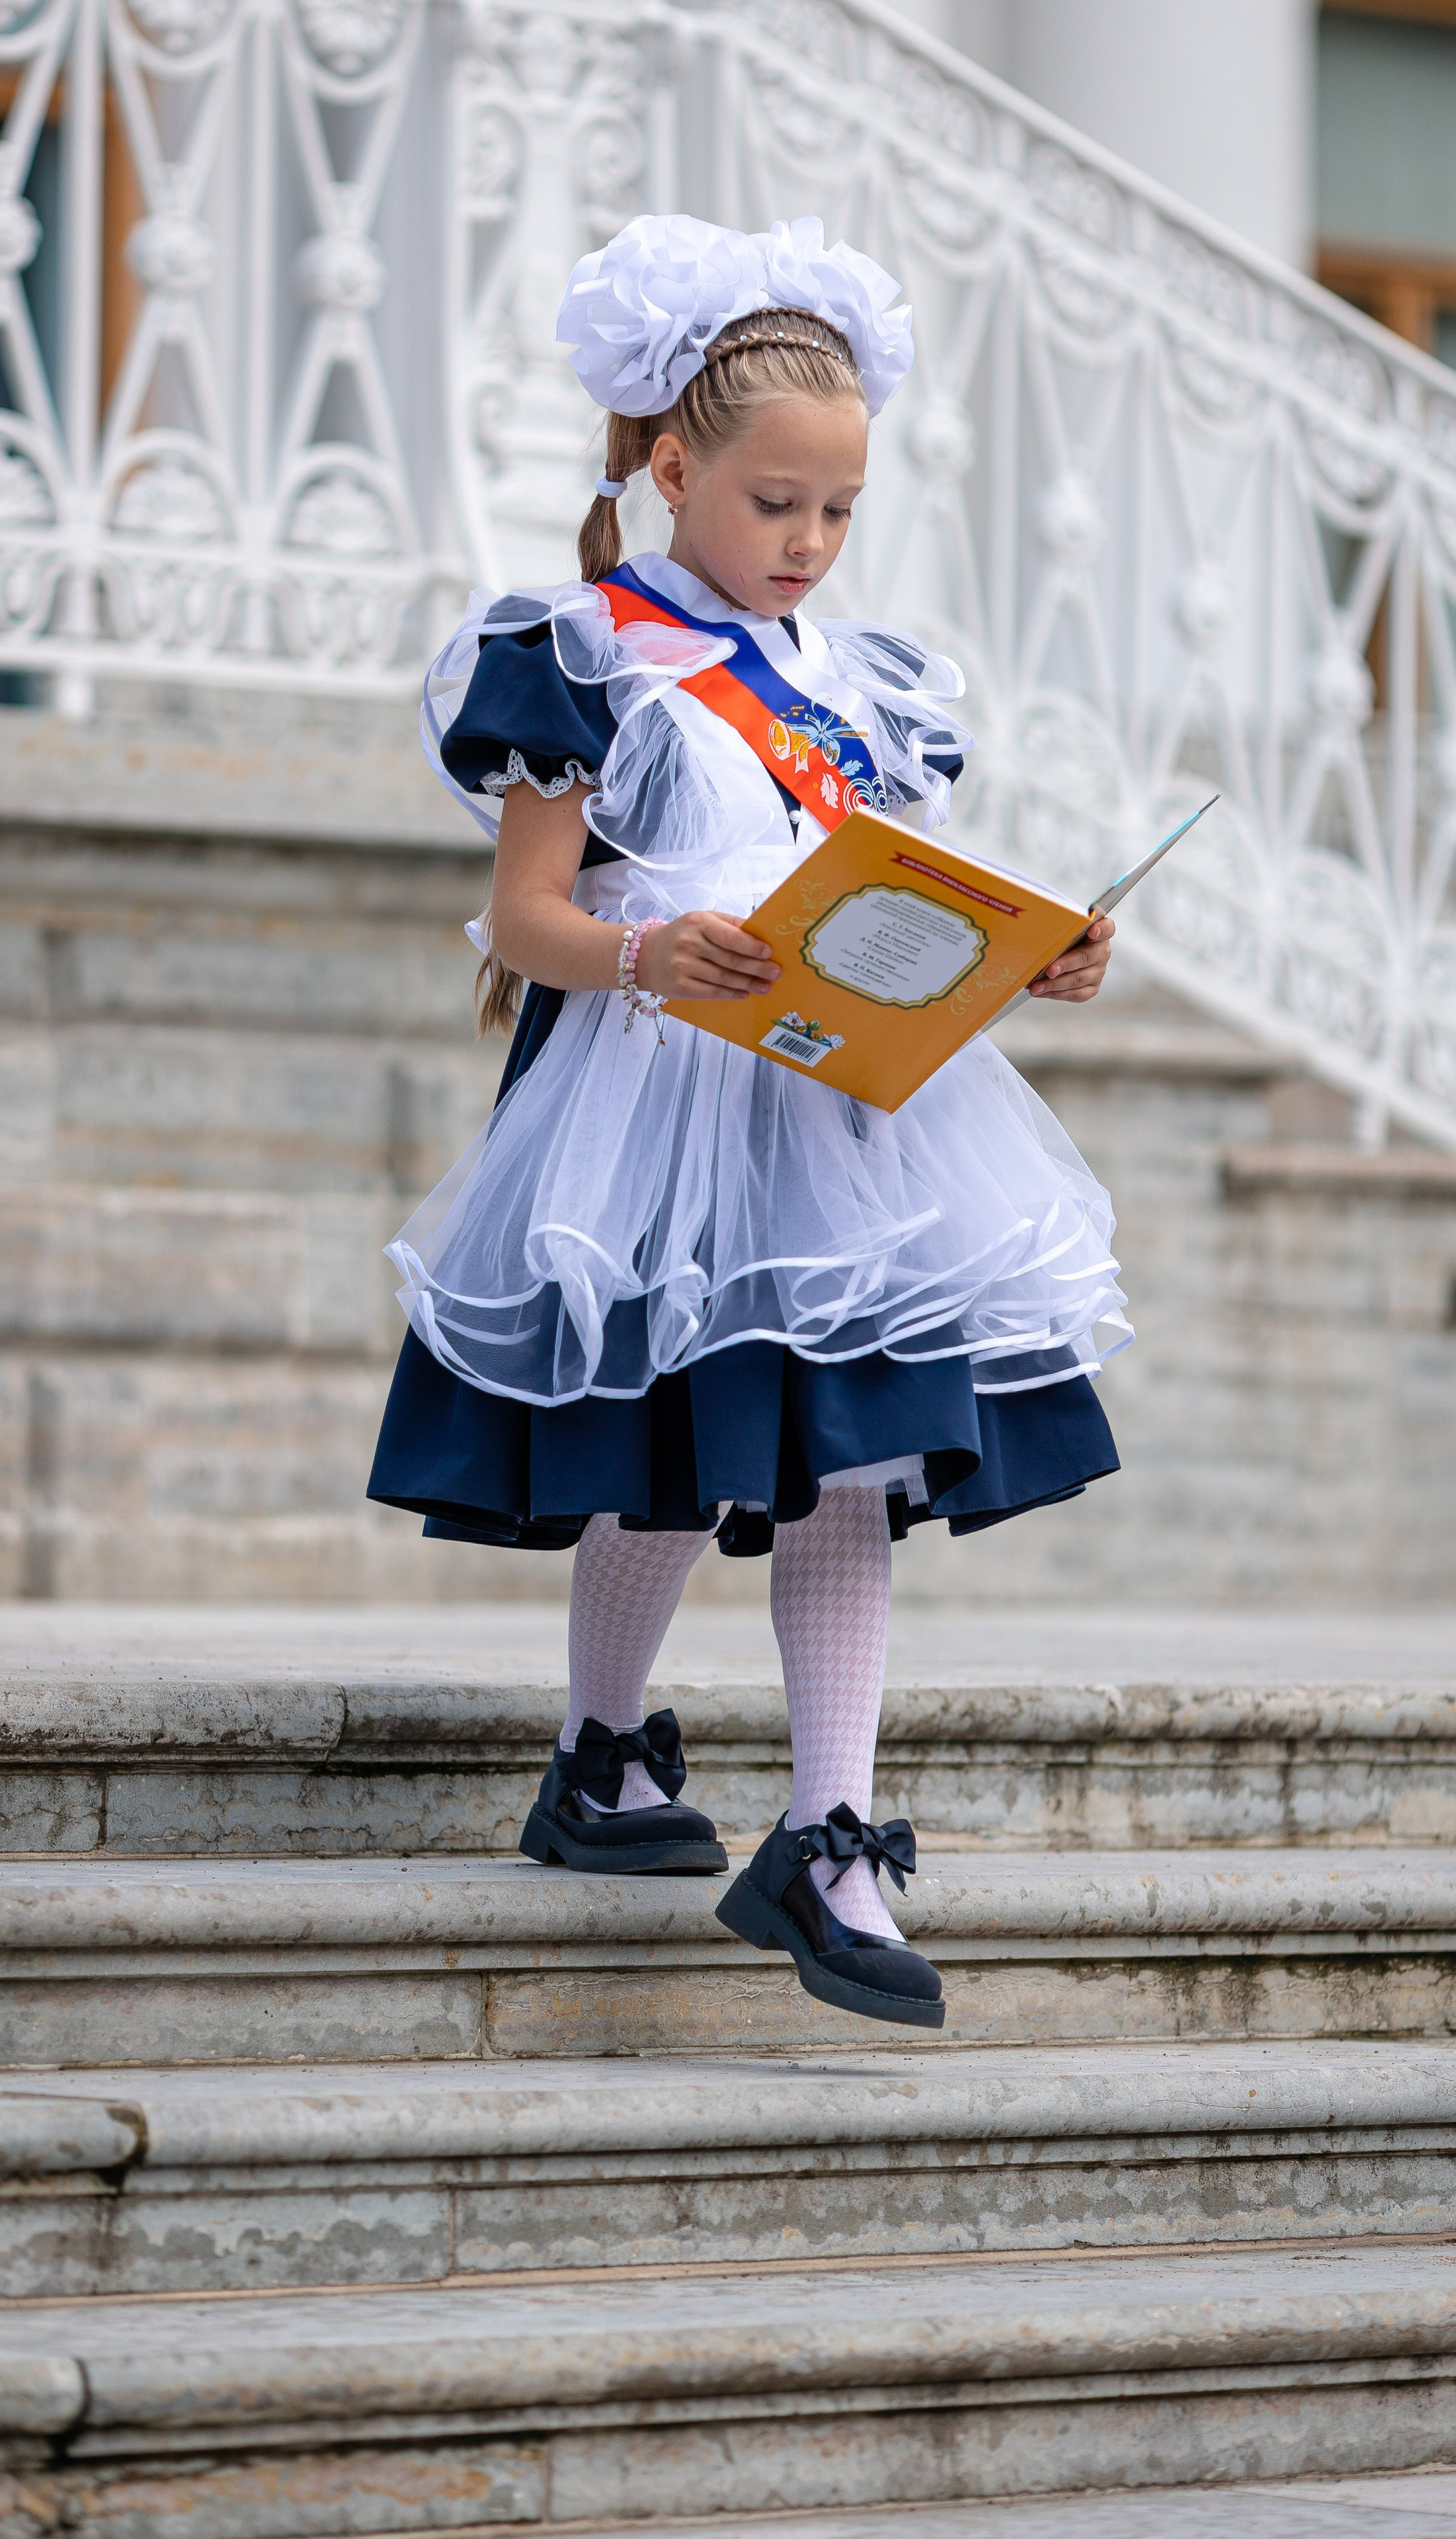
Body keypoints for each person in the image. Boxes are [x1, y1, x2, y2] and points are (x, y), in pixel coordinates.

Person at [368, 212, 1129, 2031]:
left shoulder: (867, 685)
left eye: (839, 514)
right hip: (657, 1101)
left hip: (845, 1116)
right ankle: (602, 1753)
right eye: (776, 504)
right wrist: (645, 950)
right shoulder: (579, 652)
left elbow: (889, 902)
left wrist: (1029, 961)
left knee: (847, 1460)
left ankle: (829, 1833)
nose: (809, 545)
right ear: (672, 464)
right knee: (675, 1451)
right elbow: (524, 924)